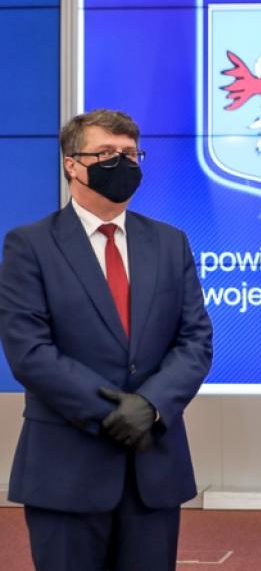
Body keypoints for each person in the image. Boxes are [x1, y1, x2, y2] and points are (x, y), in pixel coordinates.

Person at [0, 109, 213, 570]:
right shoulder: (30, 245)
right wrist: (114, 413)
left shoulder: (170, 242)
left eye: (130, 153)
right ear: (72, 164)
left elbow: (195, 340)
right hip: (65, 472)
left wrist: (150, 406)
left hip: (153, 471)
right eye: (106, 153)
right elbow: (29, 351)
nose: (123, 163)